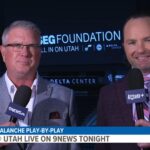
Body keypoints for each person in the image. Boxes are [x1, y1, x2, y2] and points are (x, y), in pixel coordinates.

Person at [0, 20, 79, 150]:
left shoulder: (65, 96)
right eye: (17, 45)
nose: (25, 53)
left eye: (32, 46)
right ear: (3, 52)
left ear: (40, 52)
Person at [96, 12, 150, 150]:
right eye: (132, 42)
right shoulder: (108, 95)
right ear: (124, 46)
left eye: (148, 40)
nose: (140, 49)